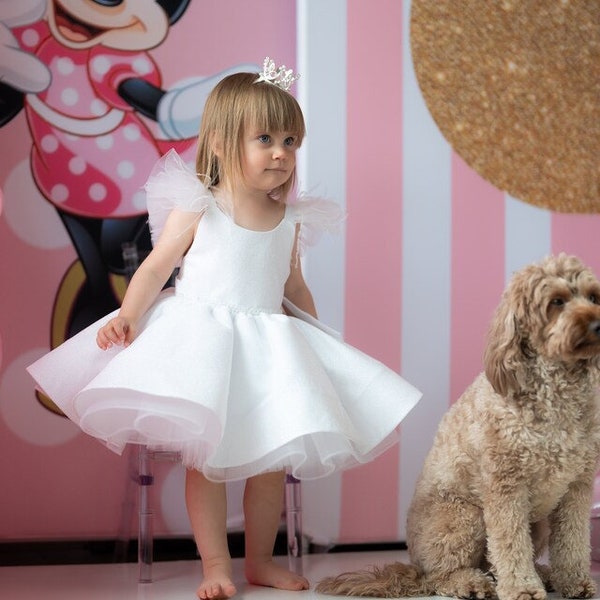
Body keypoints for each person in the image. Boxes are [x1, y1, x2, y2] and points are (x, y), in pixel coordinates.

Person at [27, 58, 422, 599]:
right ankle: (216, 563)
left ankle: (259, 561)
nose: (281, 152)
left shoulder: (290, 216)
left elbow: (293, 284)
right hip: (202, 343)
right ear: (219, 142)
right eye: (265, 138)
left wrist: (318, 336)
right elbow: (158, 264)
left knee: (268, 466)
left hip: (268, 345)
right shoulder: (200, 205)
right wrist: (129, 314)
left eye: (290, 140)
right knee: (209, 462)